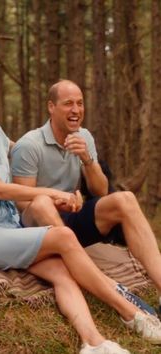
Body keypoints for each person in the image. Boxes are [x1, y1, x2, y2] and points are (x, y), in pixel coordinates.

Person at [0, 73, 161, 354]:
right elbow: (0, 190)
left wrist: (77, 168)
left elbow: (23, 150)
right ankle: (132, 313)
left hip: (10, 228)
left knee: (61, 272)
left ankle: (94, 343)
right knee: (62, 236)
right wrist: (53, 193)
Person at [11, 79, 161, 312]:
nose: (76, 110)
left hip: (71, 219)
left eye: (80, 104)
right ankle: (98, 279)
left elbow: (101, 191)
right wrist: (57, 199)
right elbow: (21, 203)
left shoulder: (84, 137)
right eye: (68, 103)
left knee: (125, 199)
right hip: (39, 229)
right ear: (51, 107)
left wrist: (87, 159)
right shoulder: (29, 145)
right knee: (41, 203)